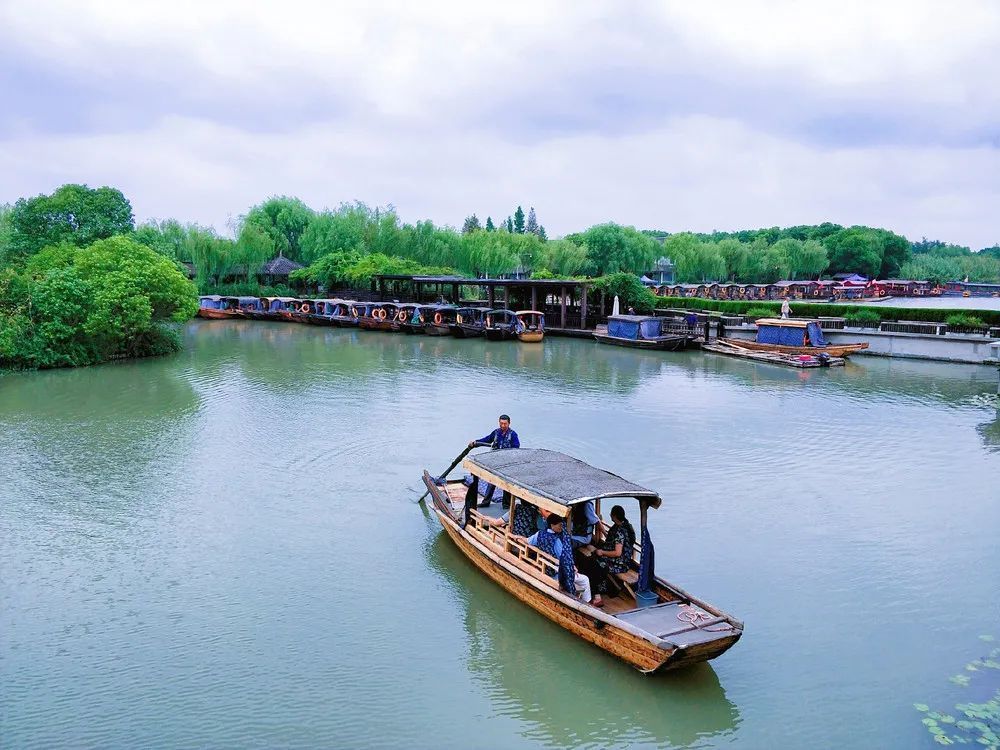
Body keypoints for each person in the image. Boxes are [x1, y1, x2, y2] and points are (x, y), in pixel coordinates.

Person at [527, 515, 592, 604]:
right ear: (552, 525)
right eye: (559, 525)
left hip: (545, 568)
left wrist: (517, 537)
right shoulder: (557, 540)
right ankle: (586, 603)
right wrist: (572, 567)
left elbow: (528, 541)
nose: (561, 527)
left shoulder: (539, 534)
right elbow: (564, 558)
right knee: (585, 580)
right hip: (557, 573)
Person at [469, 414, 520, 508]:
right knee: (491, 481)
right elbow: (487, 440)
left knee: (507, 484)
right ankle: (486, 502)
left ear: (509, 423)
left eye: (505, 424)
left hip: (507, 464)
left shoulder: (513, 435)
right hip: (495, 462)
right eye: (501, 423)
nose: (503, 426)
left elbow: (516, 448)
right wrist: (475, 442)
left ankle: (506, 504)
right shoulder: (496, 432)